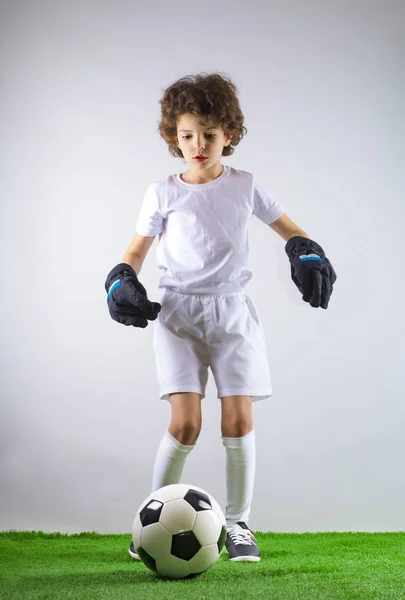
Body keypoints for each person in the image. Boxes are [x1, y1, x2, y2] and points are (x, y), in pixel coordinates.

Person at [105, 73, 337, 562]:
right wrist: (121, 279)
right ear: (174, 137)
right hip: (177, 314)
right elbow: (135, 250)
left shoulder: (246, 186)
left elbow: (292, 231)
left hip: (232, 313)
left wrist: (306, 252)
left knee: (238, 418)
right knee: (186, 423)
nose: (198, 145)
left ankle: (239, 524)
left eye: (209, 134)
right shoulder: (162, 192)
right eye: (187, 135)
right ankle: (150, 522)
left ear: (228, 135)